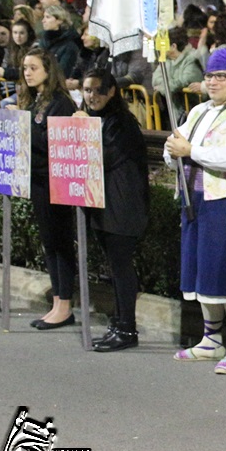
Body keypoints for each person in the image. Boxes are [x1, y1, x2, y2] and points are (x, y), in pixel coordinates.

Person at [165, 49, 226, 374]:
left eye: (221, 76)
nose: (214, 82)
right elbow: (174, 146)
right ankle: (210, 339)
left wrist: (191, 150)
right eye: (209, 76)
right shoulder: (200, 110)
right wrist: (173, 149)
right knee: (201, 270)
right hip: (194, 199)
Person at [78, 69, 150, 352]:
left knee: (121, 267)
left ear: (111, 92)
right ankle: (118, 323)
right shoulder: (98, 119)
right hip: (103, 205)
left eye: (97, 90)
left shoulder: (122, 122)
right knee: (114, 266)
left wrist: (84, 129)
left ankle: (127, 328)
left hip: (123, 207)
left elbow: (103, 157)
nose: (91, 96)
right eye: (86, 90)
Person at [12, 48, 78, 329]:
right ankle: (57, 302)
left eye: (33, 67)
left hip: (56, 181)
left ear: (48, 71)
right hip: (38, 180)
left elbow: (53, 142)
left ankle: (65, 304)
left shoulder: (60, 103)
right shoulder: (36, 100)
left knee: (60, 242)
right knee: (50, 243)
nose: (27, 72)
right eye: (25, 67)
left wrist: (24, 125)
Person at [152, 26, 204, 126]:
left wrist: (163, 88)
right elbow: (156, 79)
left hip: (194, 112)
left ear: (173, 46)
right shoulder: (167, 61)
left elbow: (185, 80)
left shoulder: (191, 59)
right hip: (176, 114)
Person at [38, 5, 80, 78]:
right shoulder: (42, 41)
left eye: (48, 17)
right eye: (44, 17)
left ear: (59, 20)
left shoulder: (69, 45)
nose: (43, 21)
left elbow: (62, 72)